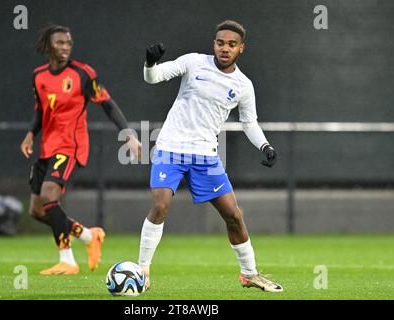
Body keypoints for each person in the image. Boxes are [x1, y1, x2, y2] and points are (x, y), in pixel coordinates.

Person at [138, 20, 283, 292]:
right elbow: (154, 77)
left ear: (242, 48)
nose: (224, 48)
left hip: (205, 155)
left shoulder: (243, 85)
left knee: (234, 215)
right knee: (160, 206)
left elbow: (249, 122)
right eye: (220, 42)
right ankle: (142, 271)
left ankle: (250, 274)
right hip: (170, 147)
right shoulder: (193, 62)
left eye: (231, 44)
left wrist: (264, 146)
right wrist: (149, 63)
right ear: (213, 43)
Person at [20, 25, 141, 275]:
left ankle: (68, 260)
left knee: (49, 196)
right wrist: (31, 133)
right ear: (47, 46)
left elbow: (107, 104)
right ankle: (88, 236)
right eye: (59, 43)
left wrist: (128, 133)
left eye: (68, 43)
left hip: (71, 145)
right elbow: (41, 110)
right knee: (37, 210)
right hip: (47, 147)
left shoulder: (82, 74)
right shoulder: (39, 76)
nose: (65, 47)